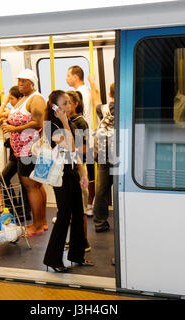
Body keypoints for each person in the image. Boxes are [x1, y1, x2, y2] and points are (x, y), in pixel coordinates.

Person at [43, 90, 91, 273]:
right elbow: (69, 146)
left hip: (71, 173)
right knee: (64, 216)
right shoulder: (51, 126)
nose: (68, 107)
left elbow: (76, 152)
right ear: (54, 106)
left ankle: (77, 256)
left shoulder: (69, 123)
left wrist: (84, 174)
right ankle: (53, 259)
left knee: (78, 214)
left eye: (69, 103)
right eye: (63, 104)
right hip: (60, 175)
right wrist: (64, 121)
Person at [2, 69, 47, 236]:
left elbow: (38, 122)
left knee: (31, 187)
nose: (20, 83)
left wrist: (14, 128)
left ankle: (36, 226)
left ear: (32, 82)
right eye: (19, 80)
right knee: (36, 185)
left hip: (29, 150)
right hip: (22, 150)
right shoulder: (24, 99)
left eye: (24, 81)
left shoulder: (36, 98)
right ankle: (41, 222)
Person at [0, 86, 31, 219]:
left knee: (24, 182)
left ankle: (24, 211)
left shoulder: (22, 114)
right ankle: (12, 206)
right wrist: (4, 101)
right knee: (4, 178)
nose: (9, 101)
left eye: (11, 98)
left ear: (20, 99)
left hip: (24, 150)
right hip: (14, 152)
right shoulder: (12, 112)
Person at [66, 65, 95, 216]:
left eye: (68, 75)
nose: (66, 79)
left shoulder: (81, 93)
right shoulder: (87, 91)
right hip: (82, 145)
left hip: (82, 146)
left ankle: (86, 206)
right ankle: (83, 207)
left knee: (83, 176)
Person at [89, 75, 115, 233]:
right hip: (120, 152)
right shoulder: (128, 107)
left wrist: (93, 84)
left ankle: (100, 223)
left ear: (111, 95)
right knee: (120, 188)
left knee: (101, 189)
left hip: (104, 152)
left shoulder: (104, 109)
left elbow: (95, 98)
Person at [66, 90, 91, 252]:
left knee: (81, 209)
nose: (65, 106)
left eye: (68, 103)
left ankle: (84, 242)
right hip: (70, 167)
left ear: (75, 104)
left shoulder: (80, 122)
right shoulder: (67, 121)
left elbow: (84, 149)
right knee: (72, 209)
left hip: (80, 169)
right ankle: (75, 239)